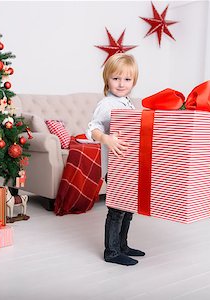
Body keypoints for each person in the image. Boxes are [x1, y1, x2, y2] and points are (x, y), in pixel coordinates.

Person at [86, 53, 145, 266]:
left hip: (128, 166)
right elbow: (92, 128)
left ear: (133, 82)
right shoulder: (107, 104)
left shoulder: (128, 103)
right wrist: (105, 139)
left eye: (127, 79)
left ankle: (122, 245)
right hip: (115, 167)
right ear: (107, 79)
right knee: (117, 209)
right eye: (116, 78)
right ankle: (111, 251)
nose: (121, 84)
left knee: (128, 208)